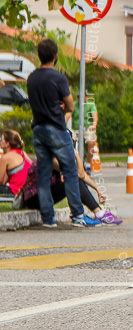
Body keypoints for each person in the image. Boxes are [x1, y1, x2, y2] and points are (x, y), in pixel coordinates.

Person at [26, 38, 88, 227]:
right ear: (56, 56)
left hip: (38, 129)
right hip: (56, 129)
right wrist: (60, 105)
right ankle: (77, 215)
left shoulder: (32, 77)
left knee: (43, 174)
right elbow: (70, 104)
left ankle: (48, 218)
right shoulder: (58, 78)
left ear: (39, 56)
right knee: (69, 170)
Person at [1, 131, 120, 224]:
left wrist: (98, 189)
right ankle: (96, 213)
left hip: (44, 194)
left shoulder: (60, 156)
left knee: (73, 180)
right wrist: (75, 154)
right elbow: (76, 175)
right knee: (72, 180)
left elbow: (82, 174)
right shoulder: (50, 158)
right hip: (33, 198)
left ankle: (97, 212)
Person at [66, 94, 98, 170]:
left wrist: (93, 125)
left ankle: (89, 164)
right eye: (79, 97)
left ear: (86, 97)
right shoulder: (74, 105)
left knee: (91, 142)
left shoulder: (91, 105)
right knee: (70, 142)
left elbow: (94, 116)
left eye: (84, 96)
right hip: (76, 130)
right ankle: (74, 163)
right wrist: (62, 124)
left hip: (87, 129)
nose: (81, 99)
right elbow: (68, 115)